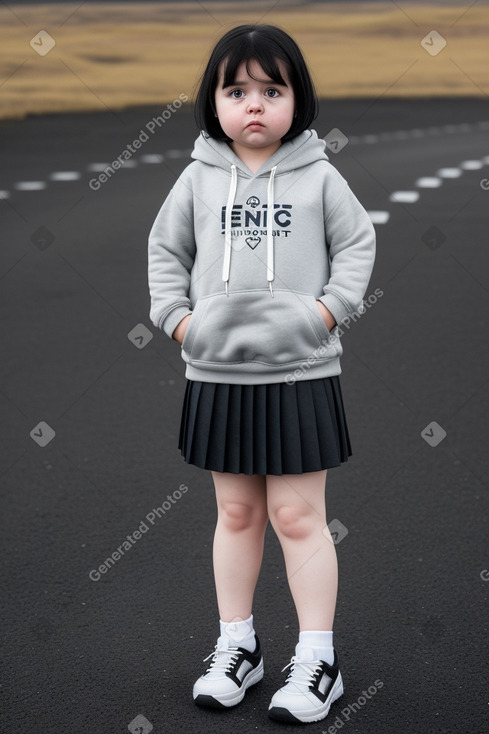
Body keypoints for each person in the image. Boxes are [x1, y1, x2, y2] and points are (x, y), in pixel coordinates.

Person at [148, 24, 376, 725]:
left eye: (271, 91)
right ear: (213, 102)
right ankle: (237, 648)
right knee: (237, 513)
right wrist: (181, 322)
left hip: (299, 375)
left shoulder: (318, 175)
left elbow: (357, 244)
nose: (254, 105)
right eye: (237, 90)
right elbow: (165, 252)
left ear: (295, 99)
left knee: (297, 516)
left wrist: (324, 316)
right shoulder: (196, 178)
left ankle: (317, 660)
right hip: (215, 375)